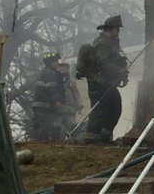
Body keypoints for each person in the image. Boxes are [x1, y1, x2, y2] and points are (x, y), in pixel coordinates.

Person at [79, 15, 128, 143]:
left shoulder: (113, 43)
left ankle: (104, 136)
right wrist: (118, 71)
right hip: (98, 82)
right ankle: (91, 135)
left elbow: (118, 60)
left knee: (115, 108)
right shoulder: (101, 43)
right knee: (100, 109)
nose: (118, 31)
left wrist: (123, 74)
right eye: (117, 29)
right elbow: (103, 63)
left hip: (108, 82)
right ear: (110, 29)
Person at [30, 51, 73, 140]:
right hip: (45, 105)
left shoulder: (43, 72)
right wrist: (56, 101)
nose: (57, 63)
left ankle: (36, 142)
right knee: (45, 127)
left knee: (38, 126)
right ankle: (43, 143)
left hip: (39, 105)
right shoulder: (51, 73)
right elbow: (52, 88)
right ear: (51, 62)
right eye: (56, 61)